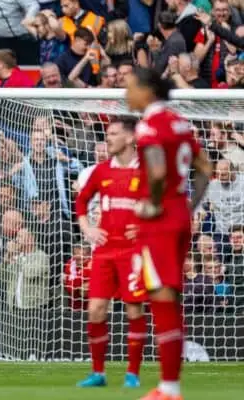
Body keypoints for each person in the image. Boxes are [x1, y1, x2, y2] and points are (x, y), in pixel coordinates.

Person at [125, 67, 213, 400]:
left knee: (161, 298)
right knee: (171, 300)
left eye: (130, 87)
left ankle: (169, 389)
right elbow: (205, 169)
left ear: (147, 92)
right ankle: (170, 386)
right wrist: (187, 208)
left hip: (159, 220)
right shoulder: (181, 122)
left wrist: (154, 204)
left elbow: (158, 170)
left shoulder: (149, 126)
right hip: (179, 216)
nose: (126, 94)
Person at [74, 117, 148, 388]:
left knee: (134, 311)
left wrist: (145, 228)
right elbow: (81, 201)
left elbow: (164, 206)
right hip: (105, 250)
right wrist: (88, 228)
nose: (108, 139)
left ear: (130, 138)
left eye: (113, 134)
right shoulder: (102, 170)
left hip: (134, 253)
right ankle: (98, 373)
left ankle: (132, 374)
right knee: (95, 310)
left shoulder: (148, 171)